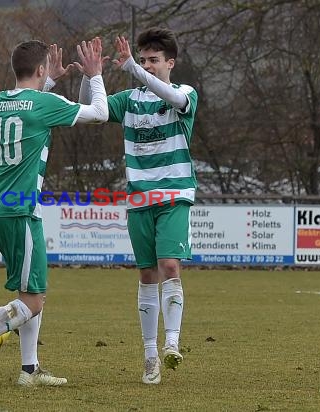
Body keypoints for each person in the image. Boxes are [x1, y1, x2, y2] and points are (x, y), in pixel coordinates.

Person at [0, 38, 108, 388]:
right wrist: (94, 75)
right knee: (33, 299)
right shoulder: (42, 103)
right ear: (41, 69)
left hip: (0, 207)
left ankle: (29, 371)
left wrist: (51, 81)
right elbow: (100, 113)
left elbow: (27, 109)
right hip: (21, 210)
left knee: (30, 292)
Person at [80, 27, 198, 384]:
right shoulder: (130, 99)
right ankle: (150, 357)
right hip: (138, 199)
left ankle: (172, 344)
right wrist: (91, 76)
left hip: (174, 195)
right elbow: (93, 110)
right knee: (147, 275)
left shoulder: (183, 92)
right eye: (143, 59)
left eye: (153, 60)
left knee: (169, 266)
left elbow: (174, 100)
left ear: (170, 63)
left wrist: (133, 67)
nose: (147, 65)